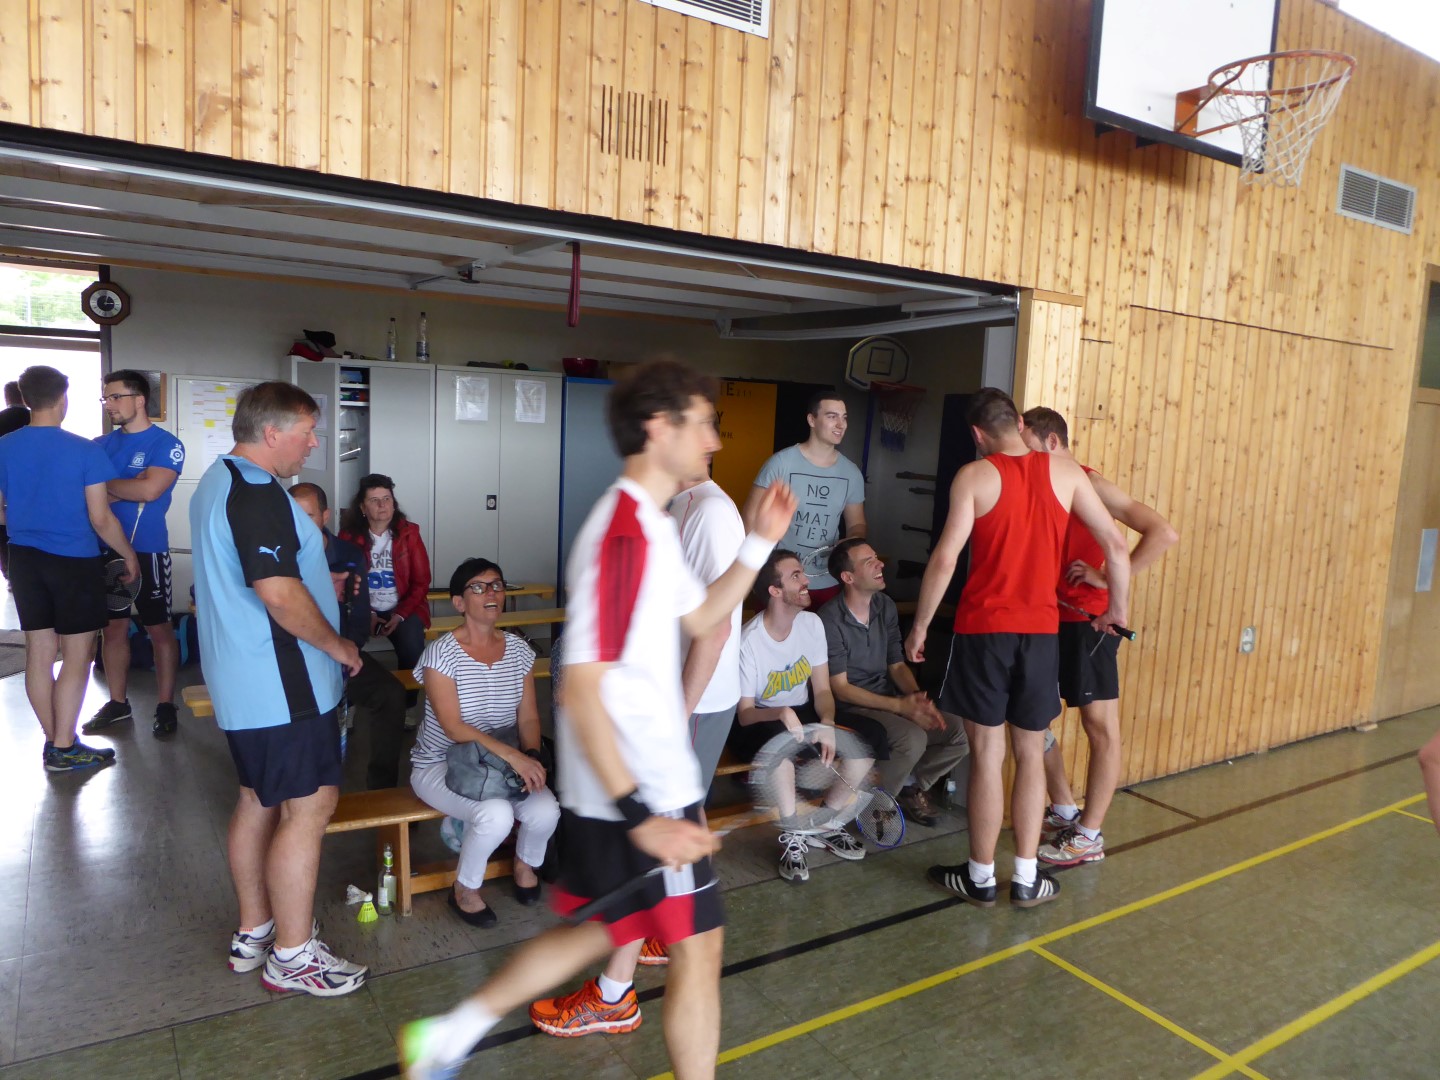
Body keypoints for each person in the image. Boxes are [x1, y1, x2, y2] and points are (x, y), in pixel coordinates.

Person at [399, 359, 797, 1080]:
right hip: (638, 790)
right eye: (702, 423)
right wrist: (640, 813)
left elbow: (705, 613)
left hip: (644, 784)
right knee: (683, 945)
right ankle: (456, 1030)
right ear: (659, 428)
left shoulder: (650, 524)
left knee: (617, 930)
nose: (714, 438)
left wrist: (760, 541)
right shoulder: (623, 535)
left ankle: (455, 1030)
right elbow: (582, 688)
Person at [525, 465, 746, 1037]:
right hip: (669, 709)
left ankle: (615, 992)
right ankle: (654, 941)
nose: (711, 439)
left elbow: (713, 627)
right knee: (667, 853)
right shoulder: (665, 512)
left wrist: (676, 715)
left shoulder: (710, 514)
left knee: (659, 845)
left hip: (690, 703)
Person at [903, 388, 1131, 909]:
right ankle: (1027, 877)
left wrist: (919, 628)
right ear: (1019, 424)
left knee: (988, 753)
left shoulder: (974, 475)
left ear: (977, 434)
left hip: (984, 630)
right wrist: (1116, 608)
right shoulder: (1067, 473)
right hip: (1042, 633)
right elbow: (1117, 545)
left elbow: (945, 559)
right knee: (1031, 752)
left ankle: (981, 877)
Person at [190, 381, 367, 997]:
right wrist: (339, 645)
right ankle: (292, 956)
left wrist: (319, 584)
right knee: (308, 809)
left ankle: (256, 931)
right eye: (307, 432)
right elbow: (279, 595)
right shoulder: (258, 491)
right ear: (272, 433)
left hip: (246, 683)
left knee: (257, 799)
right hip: (284, 683)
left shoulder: (217, 480)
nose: (314, 444)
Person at [1020, 407, 1179, 868]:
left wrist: (1107, 577)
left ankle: (1089, 835)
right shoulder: (1037, 482)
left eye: (1028, 446)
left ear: (1052, 442)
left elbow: (1163, 532)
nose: (1023, 457)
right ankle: (1065, 808)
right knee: (1029, 716)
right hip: (1045, 618)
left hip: (1088, 621)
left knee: (1100, 727)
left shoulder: (1089, 482)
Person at [411, 557, 560, 926]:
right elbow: (453, 727)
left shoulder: (519, 651)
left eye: (496, 585)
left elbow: (528, 718)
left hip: (500, 763)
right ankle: (465, 888)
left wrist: (530, 755)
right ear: (458, 603)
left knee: (546, 809)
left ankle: (525, 865)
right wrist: (515, 757)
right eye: (477, 587)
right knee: (496, 816)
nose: (490, 593)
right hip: (440, 764)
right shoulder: (441, 655)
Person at [0, 365, 135, 772]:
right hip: (74, 561)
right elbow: (101, 518)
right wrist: (127, 554)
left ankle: (55, 741)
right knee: (78, 654)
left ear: (26, 400)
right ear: (62, 399)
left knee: (40, 652)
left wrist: (27, 518)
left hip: (24, 560)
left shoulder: (4, 446)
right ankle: (63, 745)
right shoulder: (84, 450)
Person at [730, 547, 887, 883]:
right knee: (781, 746)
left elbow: (823, 691)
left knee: (872, 735)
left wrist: (828, 723)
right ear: (775, 591)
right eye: (796, 576)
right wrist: (782, 712)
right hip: (760, 720)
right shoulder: (749, 641)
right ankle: (793, 835)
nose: (807, 581)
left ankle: (824, 825)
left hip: (803, 714)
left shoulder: (812, 624)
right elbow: (744, 714)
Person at [818, 538, 970, 825]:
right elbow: (841, 689)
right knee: (912, 738)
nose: (880, 564)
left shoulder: (885, 606)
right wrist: (901, 706)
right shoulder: (829, 618)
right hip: (851, 707)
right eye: (869, 562)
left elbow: (897, 665)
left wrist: (917, 700)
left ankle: (911, 785)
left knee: (958, 733)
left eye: (876, 557)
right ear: (848, 577)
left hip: (888, 699)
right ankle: (872, 806)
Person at [85, 370, 187, 738]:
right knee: (112, 629)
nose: (109, 404)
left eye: (116, 397)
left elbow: (150, 491)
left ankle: (165, 704)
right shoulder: (98, 445)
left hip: (148, 550)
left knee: (158, 627)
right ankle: (118, 703)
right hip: (104, 549)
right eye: (106, 398)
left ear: (139, 400)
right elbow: (87, 493)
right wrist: (128, 484)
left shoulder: (166, 444)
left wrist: (105, 488)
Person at [291, 482, 409, 790]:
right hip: (294, 659)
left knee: (391, 694)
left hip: (341, 656)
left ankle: (383, 791)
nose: (299, 524)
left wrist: (345, 651)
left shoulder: (348, 555)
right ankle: (301, 789)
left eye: (308, 516)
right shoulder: (278, 557)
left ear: (325, 516)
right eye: (292, 516)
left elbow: (358, 618)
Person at [743, 390, 866, 609]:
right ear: (812, 420)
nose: (841, 424)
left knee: (820, 632)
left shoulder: (851, 473)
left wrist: (852, 539)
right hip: (782, 581)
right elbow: (749, 519)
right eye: (832, 416)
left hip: (827, 580)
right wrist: (752, 570)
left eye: (844, 417)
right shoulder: (780, 463)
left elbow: (857, 524)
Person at [339, 472, 431, 692]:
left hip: (403, 608)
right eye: (374, 500)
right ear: (362, 507)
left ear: (394, 503)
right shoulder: (348, 537)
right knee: (344, 647)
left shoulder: (410, 534)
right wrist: (367, 612)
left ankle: (407, 703)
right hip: (361, 607)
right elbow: (343, 582)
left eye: (387, 498)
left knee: (413, 650)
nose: (382, 505)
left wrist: (400, 615)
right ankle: (349, 699)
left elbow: (421, 582)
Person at [0, 380, 30, 586]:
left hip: (2, 482)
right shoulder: (34, 418)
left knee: (2, 530)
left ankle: (9, 574)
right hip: (27, 484)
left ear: (6, 397)